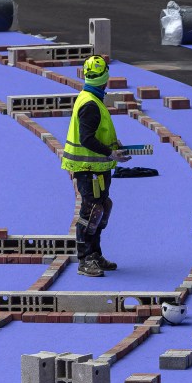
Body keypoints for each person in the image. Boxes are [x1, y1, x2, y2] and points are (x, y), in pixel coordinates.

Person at [61, 55, 131, 277]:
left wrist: (113, 145)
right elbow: (87, 139)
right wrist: (111, 152)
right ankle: (85, 259)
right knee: (91, 212)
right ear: (106, 78)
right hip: (88, 168)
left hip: (97, 168)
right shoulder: (90, 103)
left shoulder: (90, 97)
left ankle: (95, 254)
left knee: (101, 209)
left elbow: (96, 134)